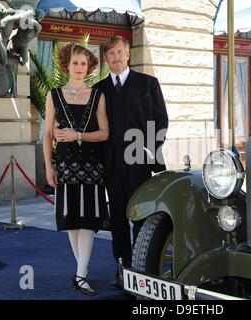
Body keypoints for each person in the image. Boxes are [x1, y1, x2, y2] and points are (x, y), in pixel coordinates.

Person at [94, 36, 169, 288]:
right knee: (116, 219)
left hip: (139, 159)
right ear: (106, 58)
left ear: (128, 54)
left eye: (119, 52)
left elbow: (160, 120)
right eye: (110, 53)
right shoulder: (99, 89)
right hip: (111, 163)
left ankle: (141, 270)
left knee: (140, 216)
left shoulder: (148, 84)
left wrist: (149, 148)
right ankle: (122, 269)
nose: (115, 57)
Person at [43, 44, 109, 296]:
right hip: (65, 166)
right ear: (66, 66)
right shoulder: (54, 95)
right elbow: (47, 135)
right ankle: (81, 272)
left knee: (89, 222)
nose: (79, 68)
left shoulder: (97, 96)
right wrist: (48, 166)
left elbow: (105, 133)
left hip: (92, 166)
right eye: (75, 63)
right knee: (71, 220)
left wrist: (77, 135)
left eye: (83, 63)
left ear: (89, 66)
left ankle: (81, 274)